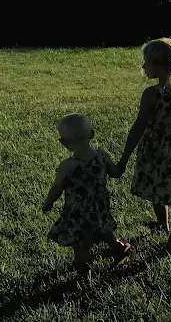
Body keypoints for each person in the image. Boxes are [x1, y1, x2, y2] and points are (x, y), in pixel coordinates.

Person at [117, 37, 171, 258]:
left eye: (146, 63)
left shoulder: (151, 93)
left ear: (160, 66)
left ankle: (163, 224)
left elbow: (139, 126)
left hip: (154, 150)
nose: (143, 67)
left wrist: (124, 158)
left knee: (156, 191)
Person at [43, 113, 131, 278]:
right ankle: (118, 248)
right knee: (103, 229)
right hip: (100, 206)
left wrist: (48, 203)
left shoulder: (67, 166)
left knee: (80, 244)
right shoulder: (102, 156)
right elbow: (115, 173)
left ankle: (84, 276)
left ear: (64, 143)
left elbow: (56, 189)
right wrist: (123, 162)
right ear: (92, 134)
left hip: (78, 212)